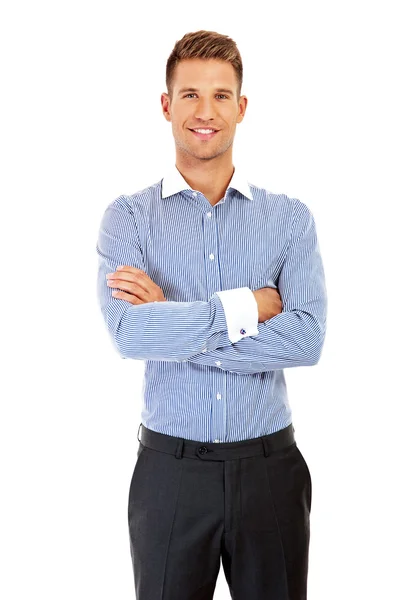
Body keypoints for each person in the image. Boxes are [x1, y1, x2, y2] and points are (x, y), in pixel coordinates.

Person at [96, 29, 328, 600]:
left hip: (271, 471)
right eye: (191, 94)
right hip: (169, 476)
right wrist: (251, 306)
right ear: (166, 105)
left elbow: (306, 339)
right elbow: (131, 334)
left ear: (241, 107)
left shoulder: (289, 219)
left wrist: (174, 319)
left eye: (221, 95)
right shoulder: (127, 219)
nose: (206, 111)